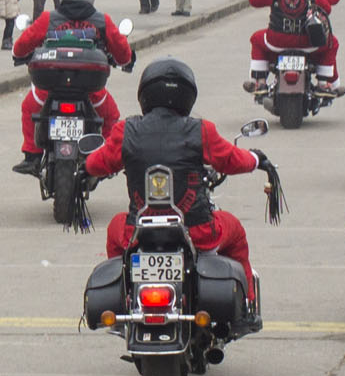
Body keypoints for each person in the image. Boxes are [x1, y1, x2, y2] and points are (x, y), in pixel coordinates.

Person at [83, 57, 271, 298]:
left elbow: (96, 164)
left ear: (145, 94)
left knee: (114, 229)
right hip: (198, 231)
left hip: (138, 232)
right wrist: (256, 159)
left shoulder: (125, 130)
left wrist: (84, 168)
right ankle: (247, 300)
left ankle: (125, 292)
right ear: (188, 96)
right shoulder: (201, 130)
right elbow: (232, 160)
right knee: (235, 230)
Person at [10, 0, 133, 174]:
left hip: (51, 86)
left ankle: (32, 156)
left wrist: (18, 54)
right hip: (90, 89)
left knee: (29, 107)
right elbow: (123, 53)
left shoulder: (49, 18)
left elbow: (22, 45)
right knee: (110, 115)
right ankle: (107, 158)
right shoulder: (102, 21)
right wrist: (125, 61)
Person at [246, 0, 343, 93]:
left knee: (256, 39)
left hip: (276, 40)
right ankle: (323, 82)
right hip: (308, 41)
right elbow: (327, 7)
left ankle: (259, 81)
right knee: (332, 42)